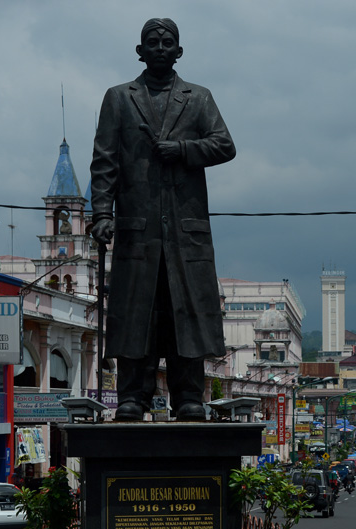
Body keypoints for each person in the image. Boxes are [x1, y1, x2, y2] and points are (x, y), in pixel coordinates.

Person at [90, 18, 236, 422]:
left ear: (178, 51)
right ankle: (132, 396)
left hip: (186, 233)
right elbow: (104, 162)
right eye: (151, 42)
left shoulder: (199, 98)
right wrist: (102, 213)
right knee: (136, 313)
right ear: (140, 51)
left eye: (166, 41)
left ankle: (188, 395)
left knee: (184, 312)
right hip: (137, 231)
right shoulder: (119, 98)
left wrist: (183, 149)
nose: (159, 47)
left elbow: (225, 145)